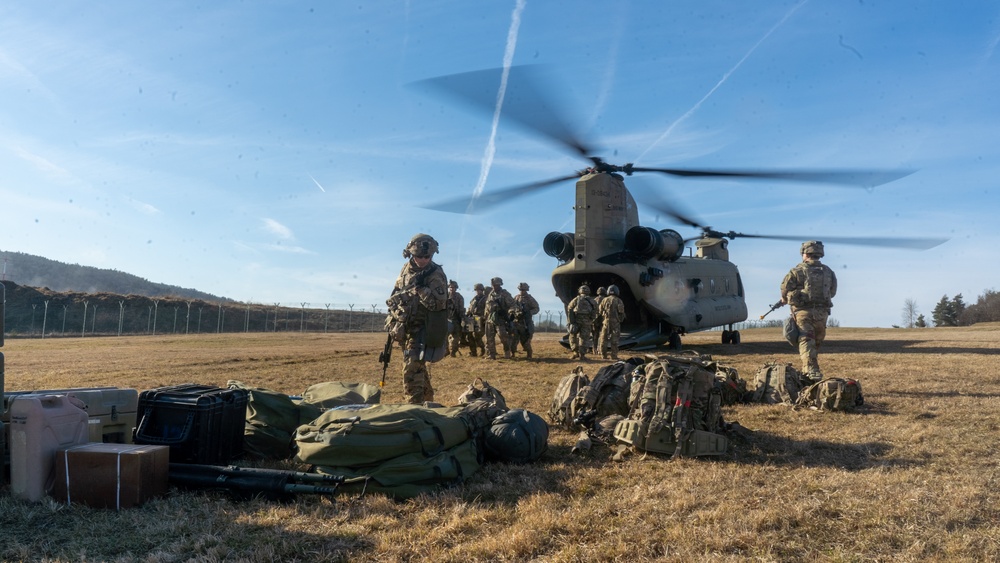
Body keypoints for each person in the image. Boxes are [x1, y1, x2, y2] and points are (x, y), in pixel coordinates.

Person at [385, 233, 449, 404]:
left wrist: (421, 291)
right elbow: (396, 293)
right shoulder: (405, 269)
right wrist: (394, 318)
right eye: (418, 256)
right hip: (405, 326)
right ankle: (429, 404)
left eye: (426, 256)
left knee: (411, 371)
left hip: (422, 328)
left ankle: (415, 410)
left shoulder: (435, 274)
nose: (422, 260)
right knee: (417, 368)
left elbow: (439, 305)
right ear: (410, 254)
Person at [779, 240, 838, 381]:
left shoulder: (796, 271)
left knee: (806, 339)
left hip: (803, 312)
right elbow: (833, 291)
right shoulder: (828, 272)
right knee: (816, 342)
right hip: (822, 313)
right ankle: (811, 369)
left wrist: (785, 299)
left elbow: (784, 289)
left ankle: (811, 373)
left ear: (804, 253)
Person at [484, 276, 515, 360]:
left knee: (503, 337)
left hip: (500, 319)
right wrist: (485, 317)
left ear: (500, 285)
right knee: (489, 338)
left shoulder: (505, 294)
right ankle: (491, 354)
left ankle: (507, 351)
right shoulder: (490, 294)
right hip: (490, 319)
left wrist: (511, 312)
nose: (495, 286)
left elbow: (512, 305)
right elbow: (487, 307)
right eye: (494, 285)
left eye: (497, 285)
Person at [566, 284, 598, 360]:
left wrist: (571, 320)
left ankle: (575, 352)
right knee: (584, 338)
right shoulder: (592, 301)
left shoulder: (576, 299)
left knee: (572, 336)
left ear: (580, 291)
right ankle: (582, 355)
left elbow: (569, 308)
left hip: (576, 321)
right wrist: (591, 319)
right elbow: (596, 311)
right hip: (587, 321)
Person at [510, 282, 540, 359]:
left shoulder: (530, 298)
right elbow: (511, 306)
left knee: (525, 340)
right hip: (516, 322)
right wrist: (512, 311)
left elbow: (536, 308)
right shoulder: (516, 297)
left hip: (525, 323)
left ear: (526, 290)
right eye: (520, 289)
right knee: (513, 340)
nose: (521, 291)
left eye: (523, 290)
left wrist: (529, 312)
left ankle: (529, 354)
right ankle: (512, 353)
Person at [597, 284, 626, 360]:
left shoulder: (604, 300)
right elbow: (621, 312)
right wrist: (620, 320)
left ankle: (603, 356)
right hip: (615, 322)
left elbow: (600, 311)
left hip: (606, 322)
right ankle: (614, 356)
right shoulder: (619, 300)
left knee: (603, 339)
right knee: (614, 339)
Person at [466, 283, 487, 357]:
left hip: (479, 318)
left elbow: (487, 310)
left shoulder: (486, 299)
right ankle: (473, 352)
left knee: (476, 335)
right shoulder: (474, 299)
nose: (478, 291)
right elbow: (470, 309)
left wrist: (485, 319)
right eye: (476, 290)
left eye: (479, 290)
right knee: (469, 336)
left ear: (482, 290)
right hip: (471, 318)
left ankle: (483, 349)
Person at [446, 280, 465, 357]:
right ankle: (446, 351)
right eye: (450, 287)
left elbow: (461, 309)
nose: (451, 288)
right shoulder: (445, 296)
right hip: (446, 319)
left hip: (456, 319)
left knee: (455, 337)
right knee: (444, 336)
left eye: (453, 287)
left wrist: (462, 319)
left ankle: (452, 352)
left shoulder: (459, 297)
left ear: (456, 288)